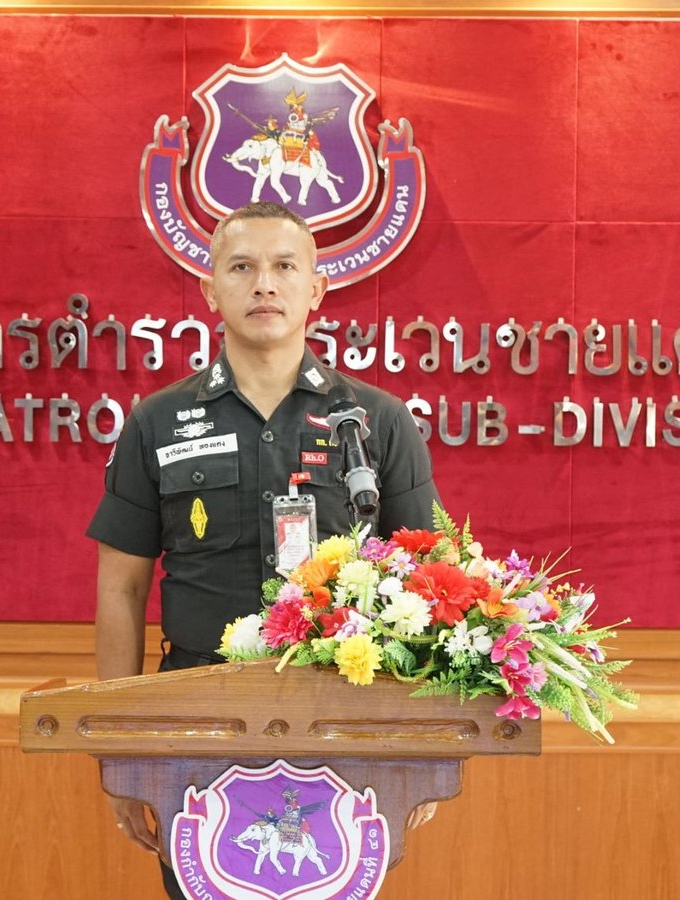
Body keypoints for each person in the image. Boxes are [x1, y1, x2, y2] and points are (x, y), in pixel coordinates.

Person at [85, 201, 440, 898]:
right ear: (210, 289)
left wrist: (422, 747)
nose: (265, 284)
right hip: (196, 728)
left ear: (317, 288)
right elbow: (120, 589)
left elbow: (428, 586)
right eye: (242, 267)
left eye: (284, 266)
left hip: (345, 724)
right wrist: (120, 750)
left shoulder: (378, 421)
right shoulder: (158, 421)